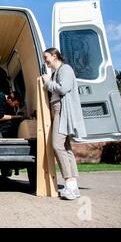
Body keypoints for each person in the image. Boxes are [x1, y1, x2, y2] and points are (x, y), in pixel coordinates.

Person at [41, 48, 87, 200]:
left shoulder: (65, 69)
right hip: (57, 110)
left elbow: (63, 89)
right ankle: (73, 186)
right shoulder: (55, 73)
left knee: (57, 145)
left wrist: (48, 82)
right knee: (66, 147)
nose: (45, 60)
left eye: (46, 57)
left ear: (54, 56)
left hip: (62, 110)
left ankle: (69, 183)